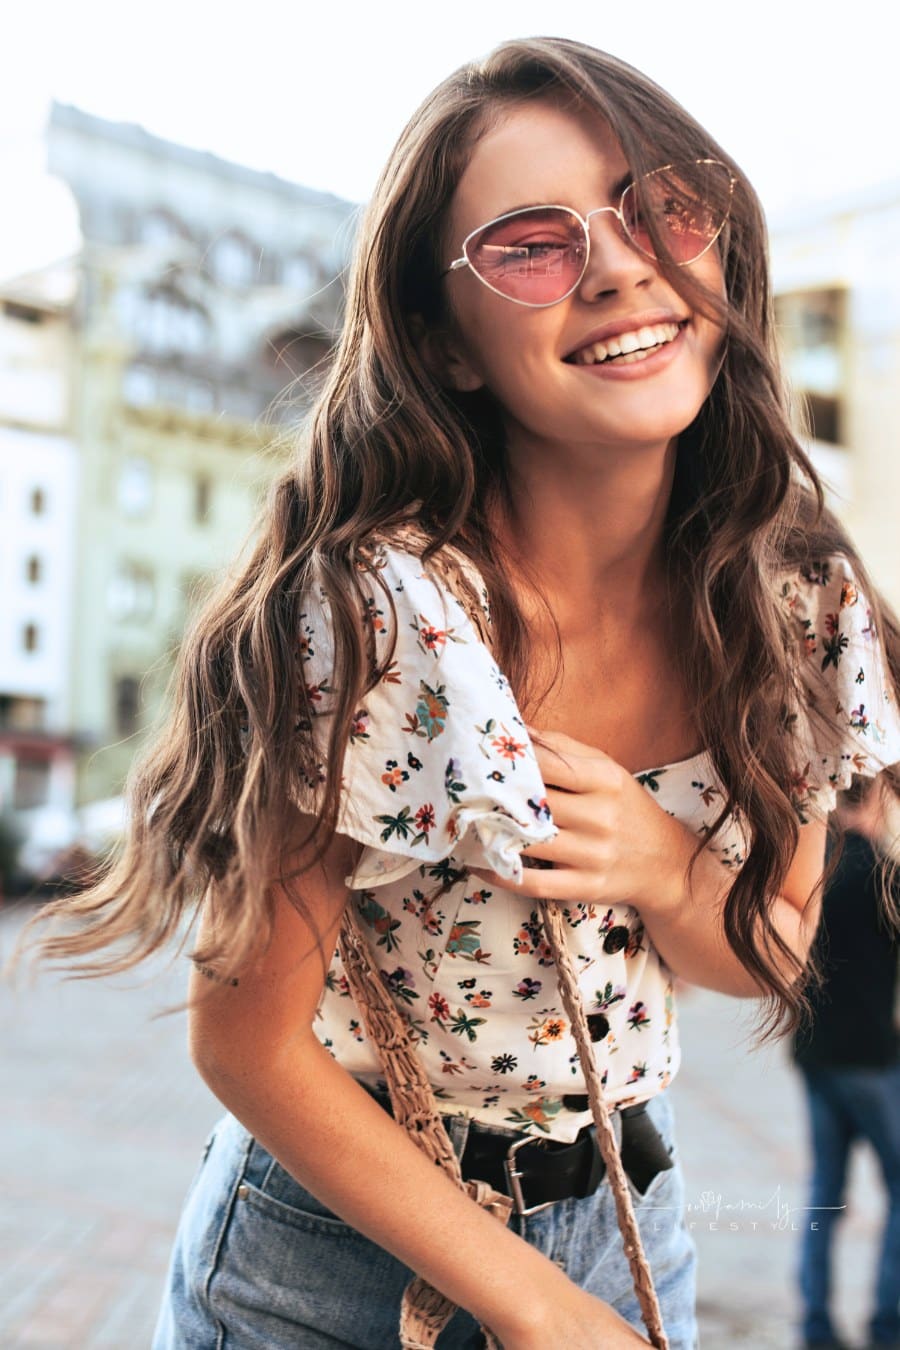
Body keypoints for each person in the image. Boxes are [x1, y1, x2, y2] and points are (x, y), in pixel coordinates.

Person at [23, 36, 900, 1350]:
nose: (617, 262)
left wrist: (665, 870)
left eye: (664, 205)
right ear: (449, 343)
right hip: (332, 1260)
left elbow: (770, 951)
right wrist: (538, 1309)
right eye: (532, 244)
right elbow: (244, 1042)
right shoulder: (373, 618)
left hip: (629, 1224)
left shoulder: (794, 601)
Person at [791, 778, 900, 1350]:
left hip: (815, 1055)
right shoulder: (886, 875)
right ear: (877, 797)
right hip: (874, 1061)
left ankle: (815, 1325)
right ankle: (889, 1325)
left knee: (825, 1194)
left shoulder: (811, 870)